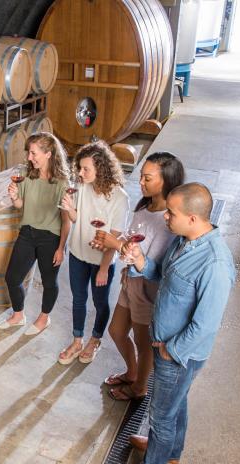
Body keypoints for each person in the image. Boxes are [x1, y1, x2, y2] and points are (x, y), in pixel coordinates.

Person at [96, 182, 236, 464]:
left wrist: (169, 351)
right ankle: (171, 451)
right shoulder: (183, 241)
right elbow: (163, 274)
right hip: (166, 345)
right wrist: (142, 260)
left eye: (171, 213)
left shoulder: (214, 264)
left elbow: (206, 325)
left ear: (192, 217)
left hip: (178, 354)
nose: (166, 217)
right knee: (177, 403)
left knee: (161, 416)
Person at [100, 152, 183, 400]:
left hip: (147, 290)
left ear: (166, 181)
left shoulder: (167, 220)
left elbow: (151, 264)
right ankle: (132, 372)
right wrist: (120, 242)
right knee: (116, 330)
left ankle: (139, 388)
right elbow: (132, 238)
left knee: (142, 341)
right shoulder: (144, 206)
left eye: (148, 178)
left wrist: (115, 244)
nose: (141, 182)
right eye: (141, 177)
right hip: (130, 282)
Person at [57, 141, 129, 365]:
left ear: (101, 168)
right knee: (78, 299)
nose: (80, 173)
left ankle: (95, 339)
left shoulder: (120, 198)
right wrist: (70, 210)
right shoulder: (81, 186)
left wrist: (105, 268)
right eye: (79, 167)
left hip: (101, 261)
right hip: (78, 253)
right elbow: (78, 219)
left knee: (100, 302)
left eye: (85, 169)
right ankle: (77, 340)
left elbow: (115, 238)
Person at [0, 132, 72, 335]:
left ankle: (44, 318)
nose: (29, 158)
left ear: (48, 154)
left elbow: (66, 220)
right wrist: (14, 197)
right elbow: (22, 205)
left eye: (33, 153)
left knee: (49, 282)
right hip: (27, 233)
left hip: (50, 238)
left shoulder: (62, 184)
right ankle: (18, 315)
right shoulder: (27, 175)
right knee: (12, 278)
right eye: (29, 153)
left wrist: (61, 248)